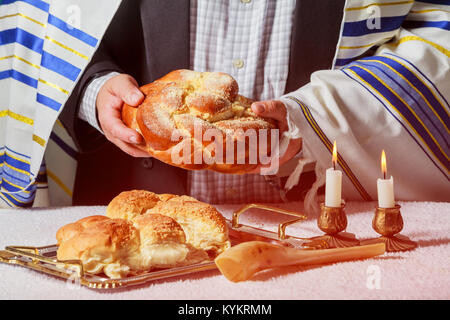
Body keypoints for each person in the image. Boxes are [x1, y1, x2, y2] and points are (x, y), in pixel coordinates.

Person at [59, 0, 449, 208]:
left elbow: (437, 36)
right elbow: (46, 15)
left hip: (316, 221)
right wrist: (95, 89)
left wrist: (314, 118)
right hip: (141, 218)